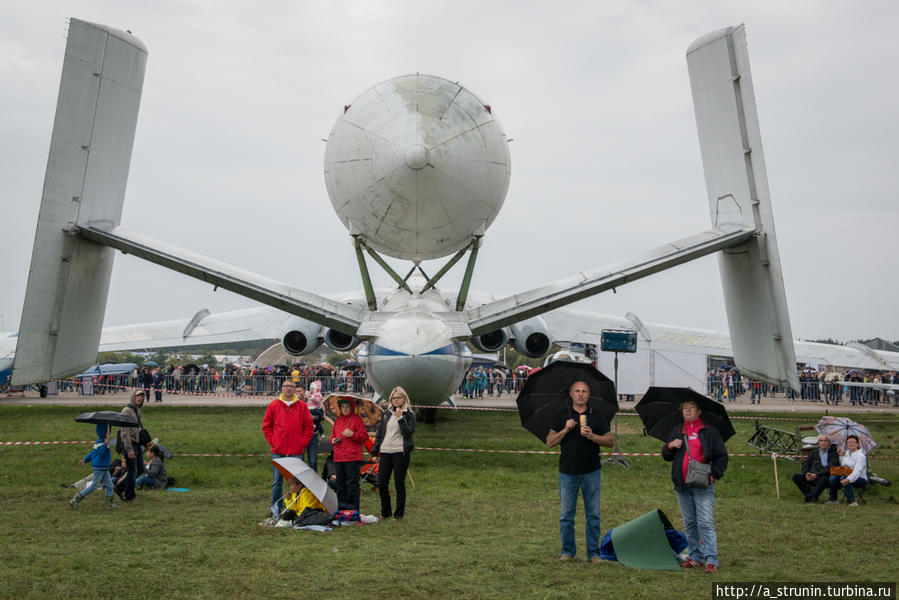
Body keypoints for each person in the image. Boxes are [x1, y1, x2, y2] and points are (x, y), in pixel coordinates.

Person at [546, 380, 613, 563]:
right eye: (577, 391)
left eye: (584, 391)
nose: (581, 394)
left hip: (592, 471)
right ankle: (567, 551)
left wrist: (593, 436)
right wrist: (565, 429)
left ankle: (593, 553)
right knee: (567, 515)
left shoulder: (597, 415)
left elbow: (609, 441)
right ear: (571, 394)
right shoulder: (562, 415)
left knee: (593, 515)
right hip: (568, 472)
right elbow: (550, 442)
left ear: (588, 395)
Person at [661, 399, 728, 574]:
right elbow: (666, 455)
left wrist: (714, 475)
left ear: (699, 412)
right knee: (690, 522)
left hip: (703, 485)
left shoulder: (709, 431)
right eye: (685, 408)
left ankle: (711, 560)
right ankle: (696, 557)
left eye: (692, 408)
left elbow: (722, 456)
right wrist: (670, 445)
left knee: (705, 522)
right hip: (682, 485)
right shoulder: (677, 431)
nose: (688, 411)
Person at [262, 380, 314, 514]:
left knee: (298, 482)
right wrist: (273, 441)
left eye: (291, 387)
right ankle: (276, 510)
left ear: (295, 389)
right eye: (286, 386)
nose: (288, 389)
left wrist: (303, 443)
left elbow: (309, 427)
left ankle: (298, 509)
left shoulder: (302, 406)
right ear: (282, 388)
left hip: (296, 451)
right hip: (278, 450)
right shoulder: (274, 405)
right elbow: (266, 426)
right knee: (277, 481)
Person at [371, 386, 416, 520]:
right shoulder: (386, 413)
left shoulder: (410, 414)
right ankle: (386, 512)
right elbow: (380, 433)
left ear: (404, 398)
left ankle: (399, 514)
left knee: (399, 483)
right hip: (385, 451)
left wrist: (401, 418)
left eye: (398, 398)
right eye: (394, 398)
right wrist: (375, 451)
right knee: (382, 483)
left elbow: (408, 432)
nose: (396, 400)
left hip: (400, 452)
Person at [329, 396, 369, 511]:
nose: (344, 408)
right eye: (342, 406)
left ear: (351, 407)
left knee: (352, 484)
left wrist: (352, 434)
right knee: (340, 484)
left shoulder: (356, 420)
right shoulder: (337, 421)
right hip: (338, 457)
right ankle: (342, 508)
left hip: (352, 457)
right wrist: (333, 440)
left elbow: (364, 437)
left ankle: (353, 509)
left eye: (347, 406)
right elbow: (332, 436)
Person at [69, 423, 117, 509]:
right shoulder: (101, 443)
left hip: (104, 468)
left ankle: (110, 502)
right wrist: (105, 445)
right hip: (99, 467)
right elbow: (100, 453)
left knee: (109, 484)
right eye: (108, 431)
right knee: (94, 486)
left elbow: (92, 453)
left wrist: (85, 460)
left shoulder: (101, 441)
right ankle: (76, 499)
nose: (109, 433)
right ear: (103, 432)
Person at [117, 389, 146, 502]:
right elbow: (125, 431)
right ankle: (129, 495)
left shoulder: (137, 410)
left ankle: (120, 487)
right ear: (133, 397)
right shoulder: (127, 410)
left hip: (137, 443)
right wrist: (129, 449)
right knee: (132, 470)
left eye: (142, 396)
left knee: (140, 468)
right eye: (138, 396)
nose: (140, 398)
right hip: (130, 443)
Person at [791, 434, 839, 502]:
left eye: (825, 441)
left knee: (824, 478)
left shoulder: (833, 453)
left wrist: (817, 475)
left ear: (829, 443)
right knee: (796, 477)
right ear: (818, 442)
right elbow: (806, 464)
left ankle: (812, 497)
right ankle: (811, 495)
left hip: (825, 476)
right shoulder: (814, 452)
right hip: (812, 475)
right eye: (821, 441)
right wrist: (806, 474)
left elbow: (831, 467)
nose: (823, 443)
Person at [827, 435, 868, 506]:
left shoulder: (861, 456)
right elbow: (843, 466)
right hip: (846, 475)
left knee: (844, 478)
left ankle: (852, 501)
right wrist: (841, 456)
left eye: (853, 442)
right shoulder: (847, 453)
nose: (851, 444)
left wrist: (848, 479)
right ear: (846, 444)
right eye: (849, 442)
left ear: (857, 444)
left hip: (860, 478)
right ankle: (833, 499)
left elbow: (857, 471)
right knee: (832, 478)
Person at [305, 380, 325, 472]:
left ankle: (314, 480)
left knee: (312, 462)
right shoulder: (304, 399)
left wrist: (315, 417)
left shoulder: (317, 396)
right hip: (301, 435)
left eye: (313, 389)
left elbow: (317, 402)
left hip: (312, 435)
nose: (311, 390)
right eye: (310, 389)